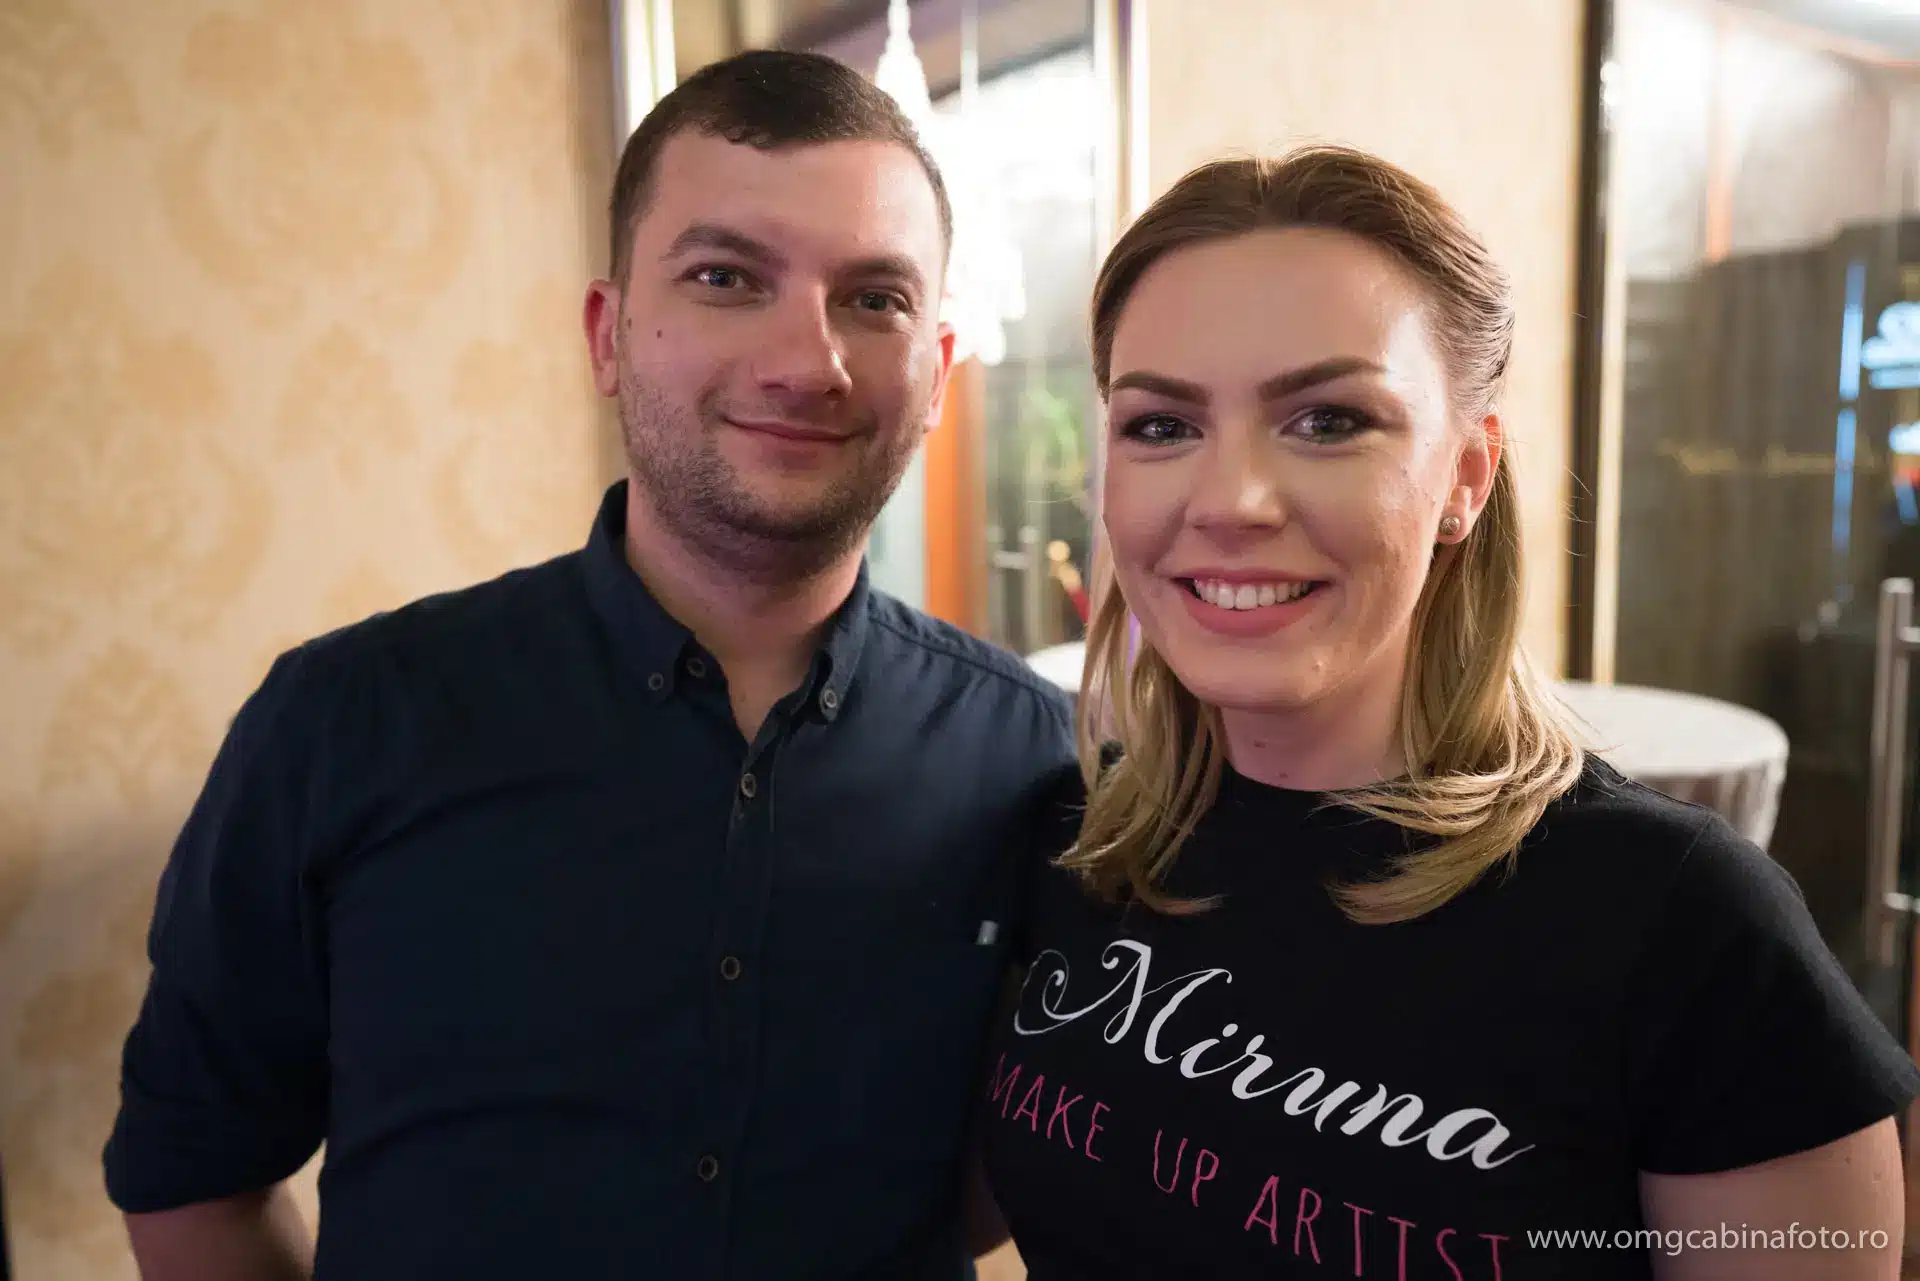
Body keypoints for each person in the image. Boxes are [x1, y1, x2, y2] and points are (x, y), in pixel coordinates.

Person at [104, 50, 1073, 1281]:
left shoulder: (1034, 759)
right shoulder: (343, 722)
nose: (806, 360)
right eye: (726, 278)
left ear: (936, 371)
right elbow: (194, 1181)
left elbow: (993, 1185)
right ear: (609, 336)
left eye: (874, 298)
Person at [978, 147, 1918, 1280]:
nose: (1229, 502)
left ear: (1467, 475)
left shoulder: (1682, 928)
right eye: (1162, 426)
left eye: (1328, 421)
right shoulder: (1073, 839)